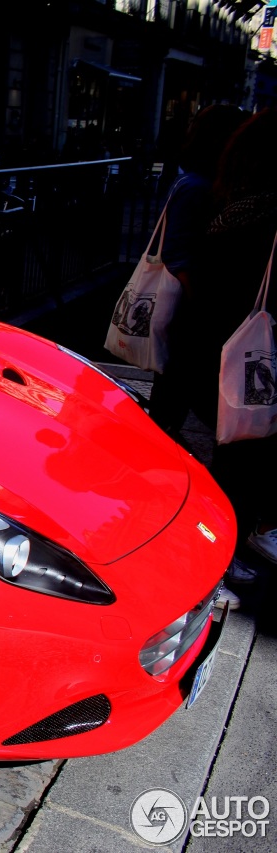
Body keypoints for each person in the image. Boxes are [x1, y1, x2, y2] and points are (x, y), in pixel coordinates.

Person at [183, 109, 277, 607]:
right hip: (254, 359)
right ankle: (221, 558)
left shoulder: (229, 211)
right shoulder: (269, 220)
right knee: (247, 459)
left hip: (222, 348)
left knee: (235, 455)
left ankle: (221, 551)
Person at [148, 104, 248, 437]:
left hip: (186, 311)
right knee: (182, 388)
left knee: (174, 390)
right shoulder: (199, 187)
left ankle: (161, 445)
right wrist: (201, 302)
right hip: (189, 312)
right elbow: (180, 254)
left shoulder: (192, 182)